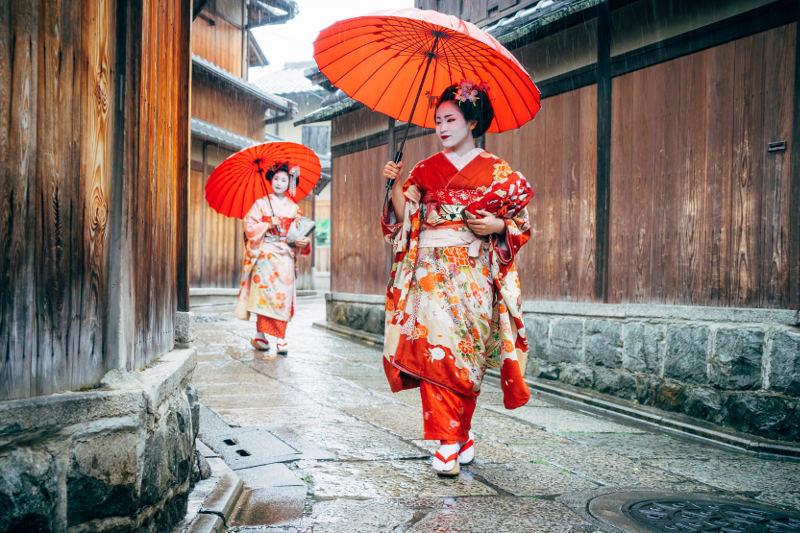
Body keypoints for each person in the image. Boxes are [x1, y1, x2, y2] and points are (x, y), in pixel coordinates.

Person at [381, 81, 534, 476]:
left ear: (471, 122)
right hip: (430, 273)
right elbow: (404, 221)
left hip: (474, 273)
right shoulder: (425, 170)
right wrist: (395, 184)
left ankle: (461, 432)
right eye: (437, 121)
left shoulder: (499, 171)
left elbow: (520, 224)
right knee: (437, 352)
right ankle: (447, 443)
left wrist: (497, 223)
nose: (442, 127)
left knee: (468, 354)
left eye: (450, 119)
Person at [236, 163, 311, 357]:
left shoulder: (294, 208)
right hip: (265, 254)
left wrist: (302, 241)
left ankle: (281, 338)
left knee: (281, 296)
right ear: (270, 180)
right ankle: (260, 335)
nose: (279, 182)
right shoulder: (261, 203)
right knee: (264, 295)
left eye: (284, 180)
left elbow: (298, 235)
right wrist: (268, 224)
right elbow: (249, 225)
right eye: (276, 179)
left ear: (289, 183)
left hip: (285, 255)